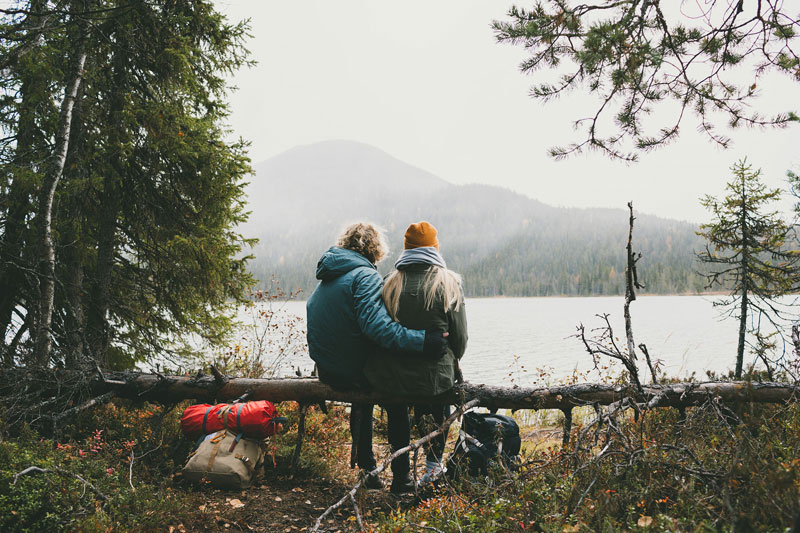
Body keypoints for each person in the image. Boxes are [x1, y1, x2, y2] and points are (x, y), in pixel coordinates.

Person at [306, 222, 449, 488]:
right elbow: (378, 328)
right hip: (351, 370)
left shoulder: (330, 275)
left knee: (365, 395)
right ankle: (401, 476)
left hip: (328, 369)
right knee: (395, 394)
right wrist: (423, 342)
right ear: (375, 248)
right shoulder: (364, 275)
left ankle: (368, 469)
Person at [364, 221, 468, 493]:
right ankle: (432, 471)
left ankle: (401, 479)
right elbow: (460, 338)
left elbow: (383, 331)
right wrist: (452, 359)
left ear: (406, 248)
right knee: (437, 411)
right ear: (435, 247)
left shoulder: (390, 283)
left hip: (394, 376)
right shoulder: (448, 283)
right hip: (435, 378)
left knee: (398, 414)